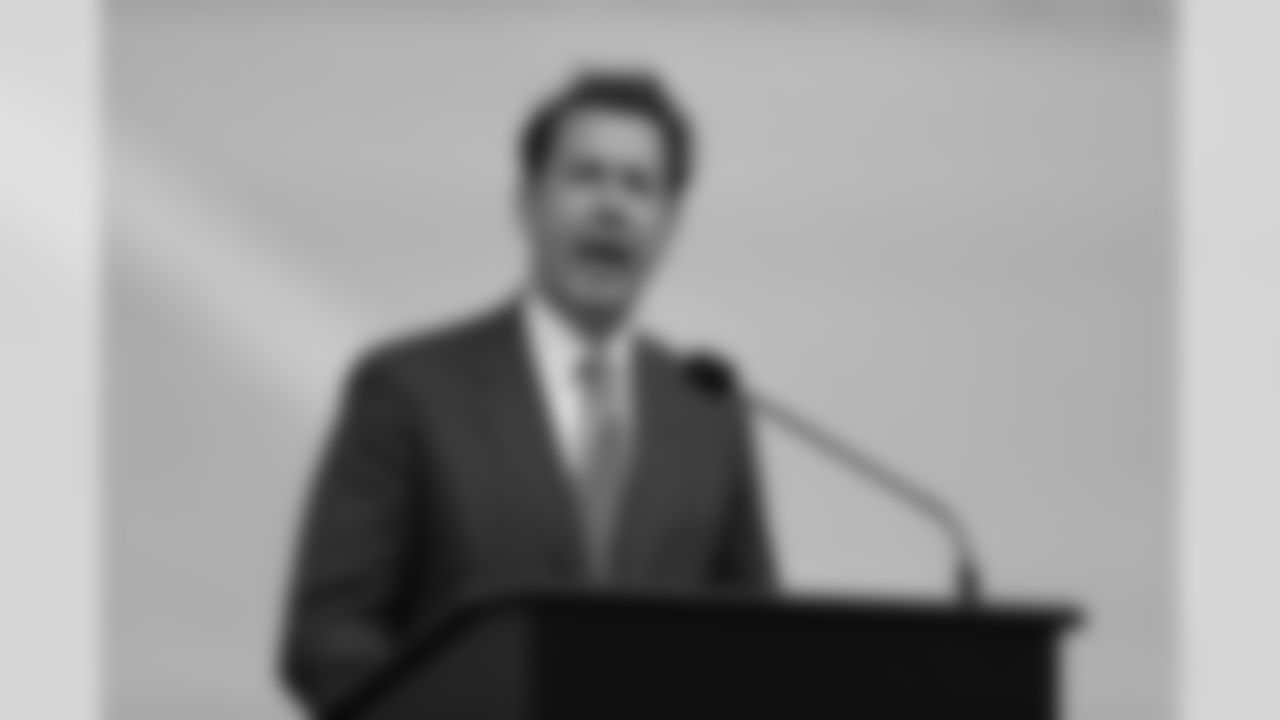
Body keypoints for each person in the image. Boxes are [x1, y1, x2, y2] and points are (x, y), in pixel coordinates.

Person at [278, 68, 777, 717]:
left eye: (639, 184)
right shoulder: (407, 390)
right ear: (527, 201)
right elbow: (327, 637)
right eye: (585, 175)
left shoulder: (707, 409)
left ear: (671, 221)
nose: (611, 206)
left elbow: (758, 648)